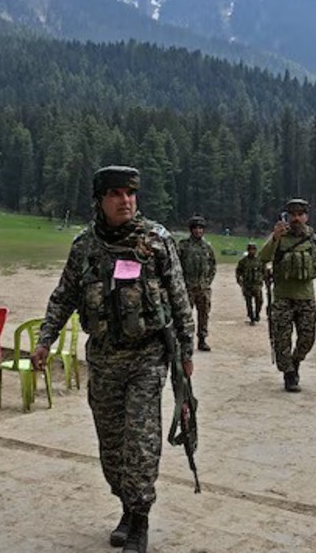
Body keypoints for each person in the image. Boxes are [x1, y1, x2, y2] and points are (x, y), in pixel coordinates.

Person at [30, 165, 195, 553]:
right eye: (116, 194)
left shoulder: (156, 241)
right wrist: (45, 340)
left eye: (130, 193)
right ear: (99, 200)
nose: (125, 200)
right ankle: (126, 506)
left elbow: (179, 297)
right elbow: (64, 296)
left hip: (147, 358)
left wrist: (186, 351)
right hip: (104, 361)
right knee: (112, 448)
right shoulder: (85, 247)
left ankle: (140, 520)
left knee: (140, 443)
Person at [259, 198, 316, 392]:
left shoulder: (315, 242)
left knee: (307, 339)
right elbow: (262, 258)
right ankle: (289, 374)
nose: (296, 218)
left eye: (300, 215)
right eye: (292, 215)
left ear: (306, 217)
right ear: (287, 217)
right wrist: (274, 238)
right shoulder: (279, 238)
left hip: (306, 298)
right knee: (282, 339)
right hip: (283, 298)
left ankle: (295, 361)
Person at [177, 215, 216, 351]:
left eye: (201, 228)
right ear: (191, 230)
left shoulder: (207, 247)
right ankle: (185, 341)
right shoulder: (183, 246)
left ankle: (202, 339)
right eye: (196, 228)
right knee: (185, 316)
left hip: (203, 288)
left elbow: (212, 265)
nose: (198, 231)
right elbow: (176, 265)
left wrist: (207, 281)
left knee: (204, 315)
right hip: (187, 287)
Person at [235, 243, 267, 325]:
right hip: (247, 284)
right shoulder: (243, 261)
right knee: (249, 302)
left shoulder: (259, 261)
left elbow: (264, 271)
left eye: (254, 249)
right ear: (248, 250)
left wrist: (264, 279)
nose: (252, 251)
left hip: (257, 284)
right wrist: (239, 281)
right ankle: (251, 317)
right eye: (250, 249)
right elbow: (238, 271)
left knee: (259, 301)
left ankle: (257, 314)